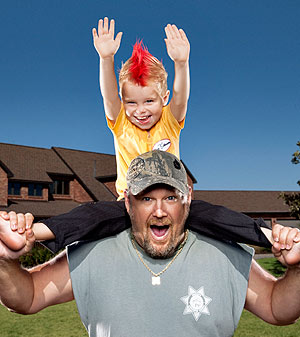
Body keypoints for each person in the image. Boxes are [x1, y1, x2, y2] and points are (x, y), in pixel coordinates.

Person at [1, 150, 300, 337]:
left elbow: (278, 308)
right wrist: (4, 261)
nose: (159, 211)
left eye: (170, 197)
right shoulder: (93, 254)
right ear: (128, 202)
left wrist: (297, 269)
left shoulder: (226, 253)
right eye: (146, 198)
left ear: (188, 198)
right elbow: (26, 297)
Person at [0, 17, 272, 252]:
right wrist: (106, 58)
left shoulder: (170, 121)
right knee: (92, 215)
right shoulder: (120, 122)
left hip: (171, 200)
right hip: (129, 202)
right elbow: (108, 94)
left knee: (212, 215)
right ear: (123, 101)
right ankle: (29, 233)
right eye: (132, 103)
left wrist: (182, 63)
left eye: (149, 102)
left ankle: (273, 237)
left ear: (163, 98)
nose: (140, 111)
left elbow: (181, 96)